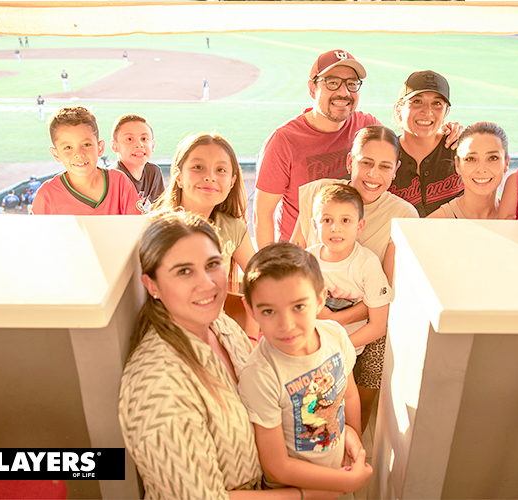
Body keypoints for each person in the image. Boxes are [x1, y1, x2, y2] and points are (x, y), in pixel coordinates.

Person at [119, 211, 347, 499]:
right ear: (152, 285)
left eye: (212, 264)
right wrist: (309, 493)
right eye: (184, 271)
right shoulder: (156, 385)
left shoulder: (218, 322)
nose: (207, 284)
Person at [291, 125, 417, 432]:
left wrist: (336, 326)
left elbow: (386, 293)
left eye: (385, 166)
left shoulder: (403, 215)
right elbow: (293, 258)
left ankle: (355, 431)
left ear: (396, 170)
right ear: (350, 161)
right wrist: (321, 318)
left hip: (365, 314)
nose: (374, 174)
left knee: (377, 354)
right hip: (314, 311)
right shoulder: (318, 195)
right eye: (366, 163)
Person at [238, 242, 372, 493]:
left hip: (338, 474)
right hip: (297, 490)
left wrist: (354, 437)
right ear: (251, 310)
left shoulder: (335, 336)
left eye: (298, 307)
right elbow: (276, 466)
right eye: (269, 311)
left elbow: (350, 394)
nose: (286, 325)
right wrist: (343, 482)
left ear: (321, 298)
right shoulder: (260, 374)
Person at [254, 49, 378, 248]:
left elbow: (402, 148)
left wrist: (444, 131)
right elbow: (263, 214)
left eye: (352, 84)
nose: (344, 92)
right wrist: (273, 268)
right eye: (332, 82)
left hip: (350, 258)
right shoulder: (284, 140)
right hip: (299, 258)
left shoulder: (367, 127)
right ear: (312, 88)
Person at [152, 133, 254, 278]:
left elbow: (262, 278)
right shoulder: (150, 227)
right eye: (198, 167)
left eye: (221, 170)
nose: (210, 177)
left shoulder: (234, 229)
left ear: (231, 182)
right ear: (178, 177)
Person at [308, 183, 391, 356]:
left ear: (360, 226)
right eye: (327, 220)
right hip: (309, 346)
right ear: (315, 226)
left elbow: (378, 326)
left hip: (347, 350)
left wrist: (340, 347)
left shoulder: (367, 264)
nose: (335, 228)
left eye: (345, 220)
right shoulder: (307, 260)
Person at [31, 106, 142, 215]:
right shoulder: (47, 195)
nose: (79, 154)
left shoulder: (120, 182)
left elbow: (139, 229)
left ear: (100, 148)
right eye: (68, 147)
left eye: (86, 145)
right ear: (56, 154)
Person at [389, 70, 464, 217]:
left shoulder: (461, 150)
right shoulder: (386, 154)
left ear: (445, 112)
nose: (427, 112)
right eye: (417, 101)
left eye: (437, 103)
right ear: (399, 109)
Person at [428, 122, 510, 219]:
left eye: (492, 158)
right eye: (471, 159)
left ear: (506, 163)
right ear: (458, 165)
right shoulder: (435, 221)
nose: (481, 169)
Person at [110, 113, 165, 213]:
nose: (139, 145)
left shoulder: (152, 172)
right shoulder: (113, 178)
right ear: (114, 146)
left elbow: (164, 208)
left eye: (144, 139)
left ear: (152, 145)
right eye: (129, 139)